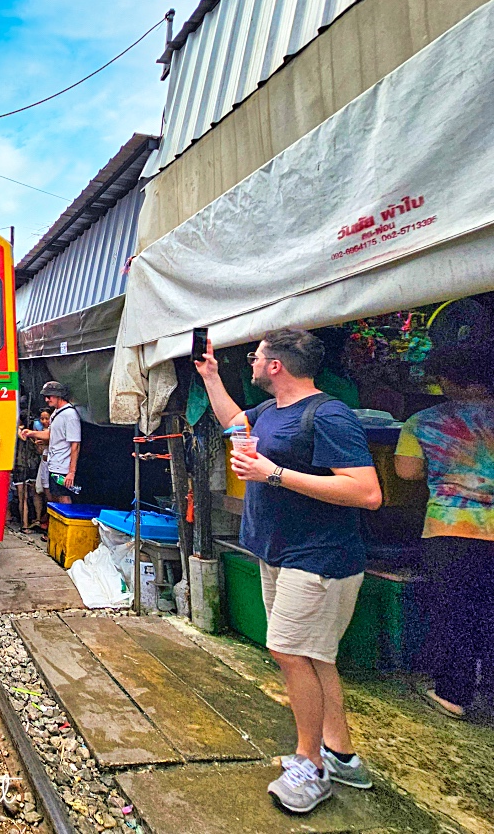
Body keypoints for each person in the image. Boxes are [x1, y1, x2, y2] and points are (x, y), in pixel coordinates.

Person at [195, 328, 382, 814]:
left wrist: (272, 473)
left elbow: (366, 492)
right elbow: (236, 422)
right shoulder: (269, 413)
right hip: (279, 553)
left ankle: (310, 765)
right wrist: (211, 377)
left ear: (275, 366)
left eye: (256, 357)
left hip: (318, 558)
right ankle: (341, 755)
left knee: (289, 652)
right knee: (316, 658)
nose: (252, 364)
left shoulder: (329, 414)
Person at [394, 347, 494, 720]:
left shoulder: (422, 421)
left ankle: (453, 694)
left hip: (449, 530)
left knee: (455, 614)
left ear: (448, 378)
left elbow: (406, 473)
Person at [21, 382, 82, 505]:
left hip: (64, 467)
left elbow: (75, 444)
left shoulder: (70, 415)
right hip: (53, 463)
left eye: (49, 396)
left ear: (58, 396)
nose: (46, 399)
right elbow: (51, 434)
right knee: (53, 496)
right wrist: (31, 433)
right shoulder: (55, 413)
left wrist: (71, 472)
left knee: (63, 497)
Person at [13, 412, 42, 531]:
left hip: (20, 465)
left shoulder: (16, 431)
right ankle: (38, 519)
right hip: (33, 464)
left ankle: (24, 524)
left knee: (22, 497)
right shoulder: (35, 432)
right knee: (36, 494)